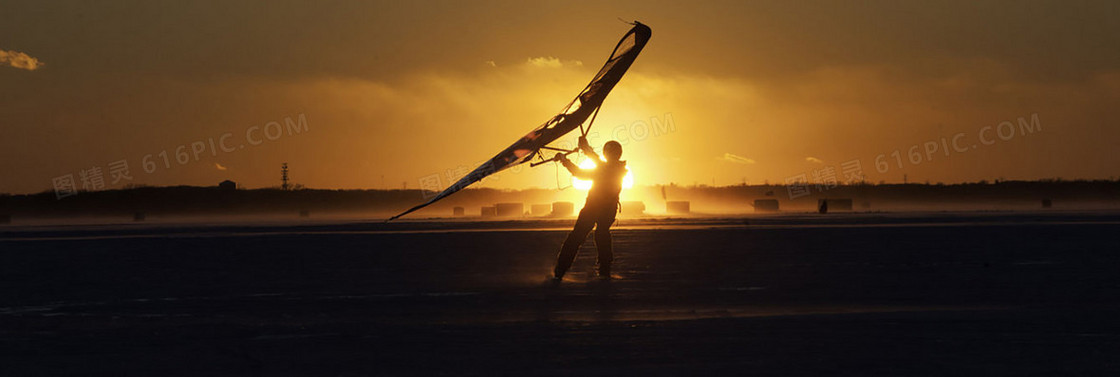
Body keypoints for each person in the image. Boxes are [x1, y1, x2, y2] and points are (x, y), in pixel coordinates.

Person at [552, 136, 628, 281]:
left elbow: (581, 173)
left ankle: (560, 272)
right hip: (607, 211)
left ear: (607, 154)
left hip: (593, 209)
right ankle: (604, 272)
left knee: (576, 238)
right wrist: (585, 148)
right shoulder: (618, 168)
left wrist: (565, 160)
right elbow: (598, 162)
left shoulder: (607, 169)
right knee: (602, 235)